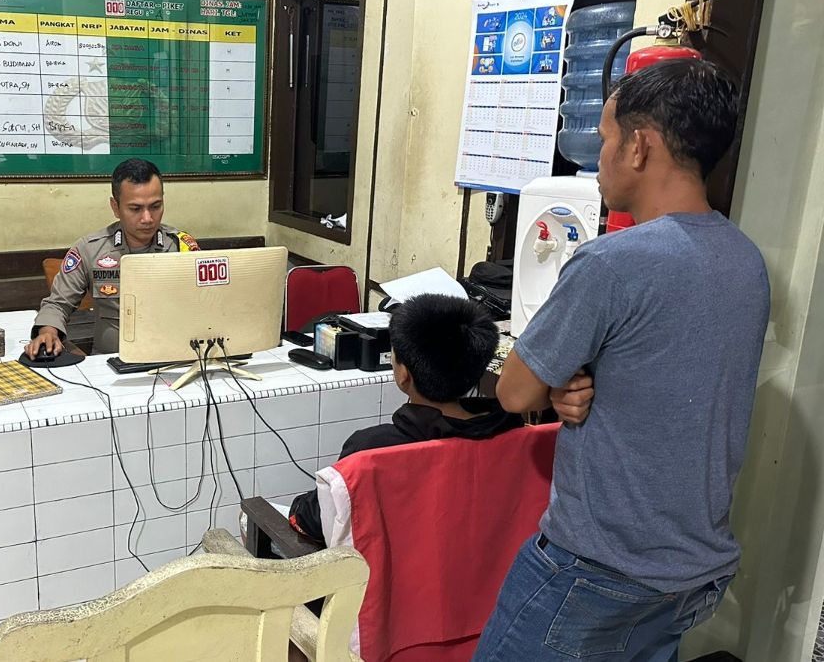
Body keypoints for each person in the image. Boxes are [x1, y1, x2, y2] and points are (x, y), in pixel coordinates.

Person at [475, 59, 769, 661]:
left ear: (640, 146)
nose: (600, 156)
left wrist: (553, 384)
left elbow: (513, 393)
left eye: (607, 138)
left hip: (596, 569)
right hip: (692, 575)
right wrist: (575, 387)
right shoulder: (746, 261)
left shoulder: (612, 263)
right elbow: (665, 373)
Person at [287, 294, 523, 543]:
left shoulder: (373, 449)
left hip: (388, 576)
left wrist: (300, 507)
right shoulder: (513, 430)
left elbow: (312, 520)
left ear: (403, 374)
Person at [25, 158, 199, 358]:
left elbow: (208, 304)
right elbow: (57, 304)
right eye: (135, 209)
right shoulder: (91, 250)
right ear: (115, 207)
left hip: (174, 358)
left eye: (155, 206)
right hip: (110, 365)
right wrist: (48, 332)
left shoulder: (182, 248)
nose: (147, 218)